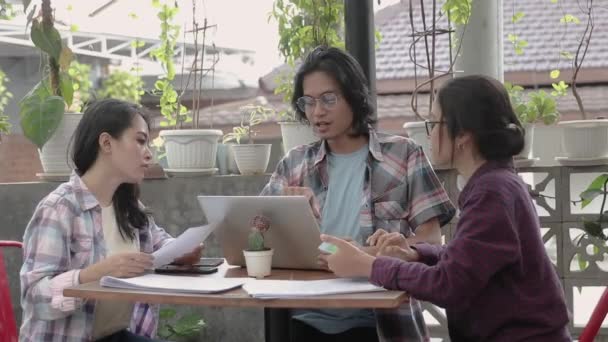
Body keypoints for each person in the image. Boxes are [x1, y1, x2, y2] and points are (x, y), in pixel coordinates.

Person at [321, 75, 572, 341]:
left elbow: (448, 283)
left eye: (434, 123)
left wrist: (369, 266)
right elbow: (469, 259)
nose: (429, 134)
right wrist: (415, 254)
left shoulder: (493, 192)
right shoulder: (496, 183)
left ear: (463, 134)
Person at [261, 45, 456, 342]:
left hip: (382, 321)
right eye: (309, 102)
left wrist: (373, 254)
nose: (317, 112)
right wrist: (287, 213)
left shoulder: (404, 155)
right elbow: (255, 236)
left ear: (354, 96)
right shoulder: (294, 163)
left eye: (328, 99)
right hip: (304, 318)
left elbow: (431, 241)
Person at [19, 99, 203, 342]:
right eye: (140, 140)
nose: (149, 153)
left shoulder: (129, 209)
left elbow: (162, 245)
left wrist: (181, 252)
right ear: (106, 143)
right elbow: (35, 297)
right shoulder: (59, 208)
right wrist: (94, 274)